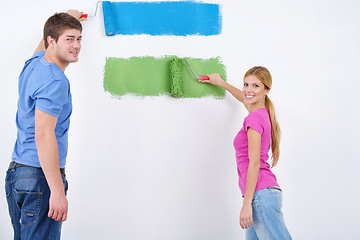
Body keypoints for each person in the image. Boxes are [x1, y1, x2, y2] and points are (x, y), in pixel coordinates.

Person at [5, 10, 85, 239]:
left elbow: (43, 43)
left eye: (79, 39)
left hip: (18, 176)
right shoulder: (56, 81)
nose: (76, 45)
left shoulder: (33, 65)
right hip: (40, 179)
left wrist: (64, 19)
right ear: (52, 41)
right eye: (69, 39)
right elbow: (43, 132)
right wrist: (58, 190)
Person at [204, 67, 292, 239]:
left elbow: (254, 163)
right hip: (259, 194)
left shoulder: (254, 118)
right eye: (246, 84)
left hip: (260, 196)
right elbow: (245, 98)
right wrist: (221, 83)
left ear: (266, 90)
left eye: (256, 86)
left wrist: (246, 204)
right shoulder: (261, 113)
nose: (248, 90)